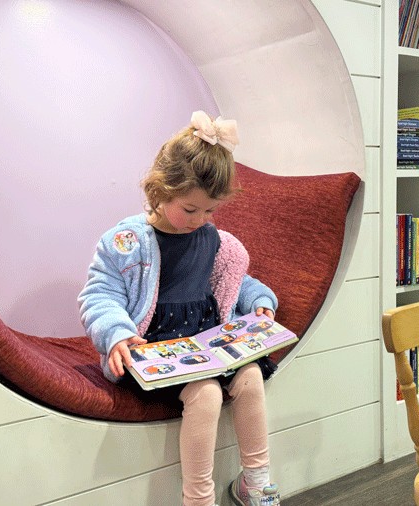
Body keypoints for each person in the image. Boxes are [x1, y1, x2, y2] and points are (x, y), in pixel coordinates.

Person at [78, 111, 281, 506]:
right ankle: (198, 499)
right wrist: (117, 333)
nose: (201, 220)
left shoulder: (214, 240)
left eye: (210, 211)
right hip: (155, 345)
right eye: (191, 210)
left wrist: (259, 303)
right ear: (161, 189)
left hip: (208, 339)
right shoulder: (127, 241)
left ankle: (255, 482)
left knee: (252, 376)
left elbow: (236, 280)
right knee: (206, 394)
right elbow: (99, 294)